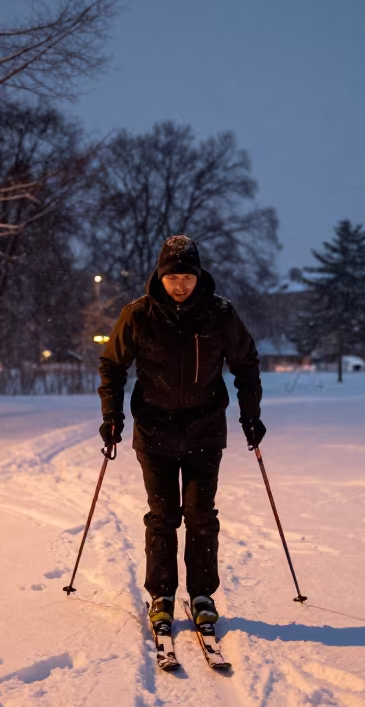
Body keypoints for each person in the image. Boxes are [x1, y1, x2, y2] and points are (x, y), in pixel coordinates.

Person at [98, 235, 266, 638]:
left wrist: (250, 414)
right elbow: (112, 365)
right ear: (161, 275)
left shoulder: (220, 314)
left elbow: (246, 363)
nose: (180, 285)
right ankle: (162, 595)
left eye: (187, 277)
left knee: (201, 516)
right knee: (162, 517)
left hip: (204, 430)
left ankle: (202, 595)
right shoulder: (137, 315)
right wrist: (112, 415)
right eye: (173, 277)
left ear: (198, 275)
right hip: (154, 432)